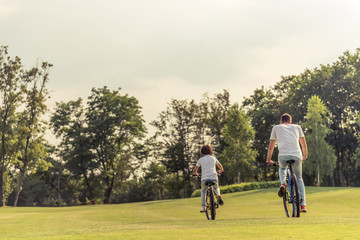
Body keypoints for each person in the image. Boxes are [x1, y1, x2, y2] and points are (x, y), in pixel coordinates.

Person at [266, 113, 308, 212]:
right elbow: (304, 144)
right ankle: (303, 205)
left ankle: (283, 184)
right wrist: (304, 156)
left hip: (283, 155)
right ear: (290, 121)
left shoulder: (276, 128)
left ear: (281, 122)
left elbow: (271, 147)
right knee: (299, 178)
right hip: (297, 155)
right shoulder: (297, 127)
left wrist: (269, 160)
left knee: (282, 168)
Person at [193, 144, 224, 212]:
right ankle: (218, 195)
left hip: (204, 178)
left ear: (202, 152)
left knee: (203, 190)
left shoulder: (201, 159)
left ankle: (203, 207)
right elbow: (221, 168)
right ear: (211, 151)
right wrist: (220, 171)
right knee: (216, 187)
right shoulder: (213, 158)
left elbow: (195, 171)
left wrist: (197, 174)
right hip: (214, 176)